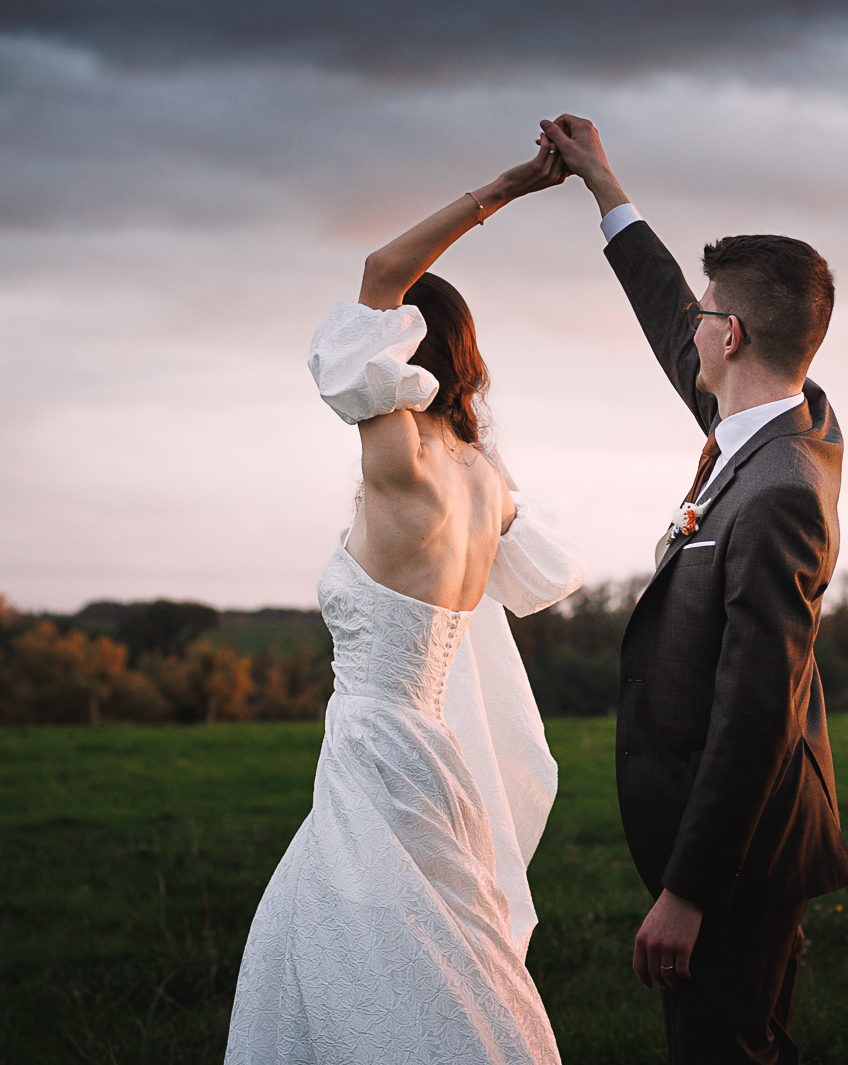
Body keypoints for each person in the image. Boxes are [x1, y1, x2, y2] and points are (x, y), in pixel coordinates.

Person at [224, 141, 585, 1065]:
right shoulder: (489, 485)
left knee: (378, 953)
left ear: (402, 346)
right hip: (436, 750)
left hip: (373, 745)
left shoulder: (405, 463)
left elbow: (380, 273)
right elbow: (537, 579)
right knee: (427, 946)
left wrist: (507, 188)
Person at [539, 114, 848, 1065]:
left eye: (708, 315)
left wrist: (690, 891)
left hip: (741, 863)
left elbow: (758, 709)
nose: (695, 326)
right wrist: (606, 189)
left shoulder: (778, 496)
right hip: (744, 848)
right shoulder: (780, 419)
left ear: (737, 335)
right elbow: (669, 318)